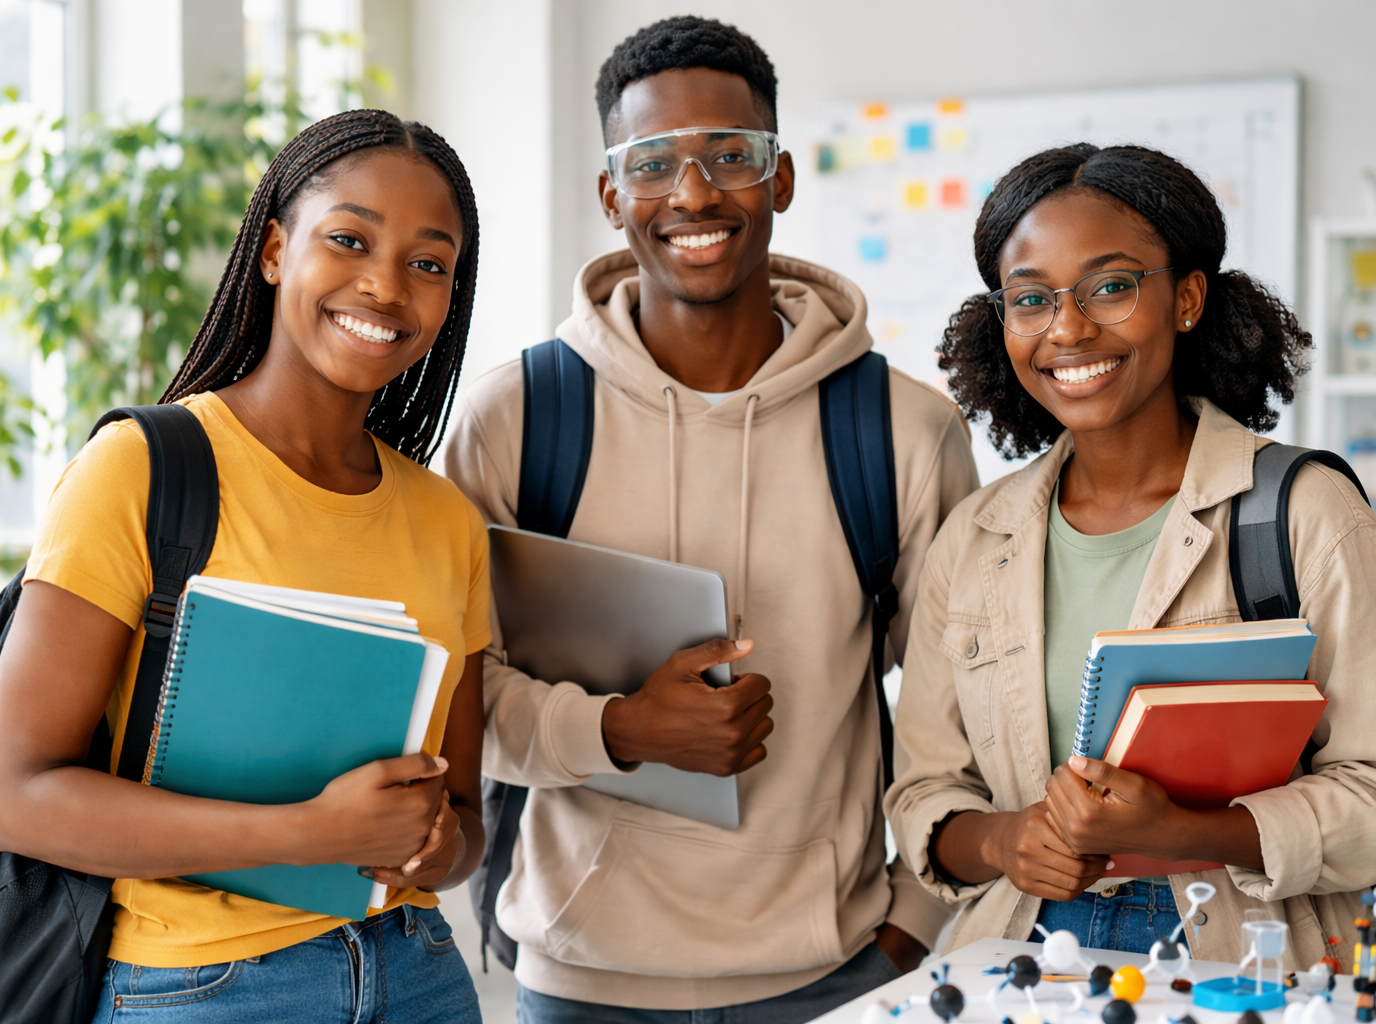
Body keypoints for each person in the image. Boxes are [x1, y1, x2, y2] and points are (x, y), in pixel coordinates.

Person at [443, 16, 977, 1023]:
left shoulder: (902, 427)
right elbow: (458, 705)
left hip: (838, 974)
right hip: (580, 978)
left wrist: (912, 917)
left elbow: (968, 710)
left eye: (730, 156)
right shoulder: (516, 417)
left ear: (778, 179)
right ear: (612, 196)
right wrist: (622, 728)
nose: (693, 194)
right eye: (654, 163)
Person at [884, 143, 1376, 966]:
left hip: (1243, 959)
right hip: (1026, 957)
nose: (1068, 328)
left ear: (1186, 298)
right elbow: (926, 796)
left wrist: (1181, 831)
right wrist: (1008, 842)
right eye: (1031, 299)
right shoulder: (974, 537)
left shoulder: (1306, 514)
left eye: (1111, 287)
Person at [0, 109, 490, 1023]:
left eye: (429, 263)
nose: (386, 286)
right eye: (349, 239)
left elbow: (461, 813)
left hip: (418, 969)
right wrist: (309, 835)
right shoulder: (142, 470)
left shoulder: (446, 520)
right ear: (273, 250)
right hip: (202, 989)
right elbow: (14, 793)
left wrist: (432, 845)